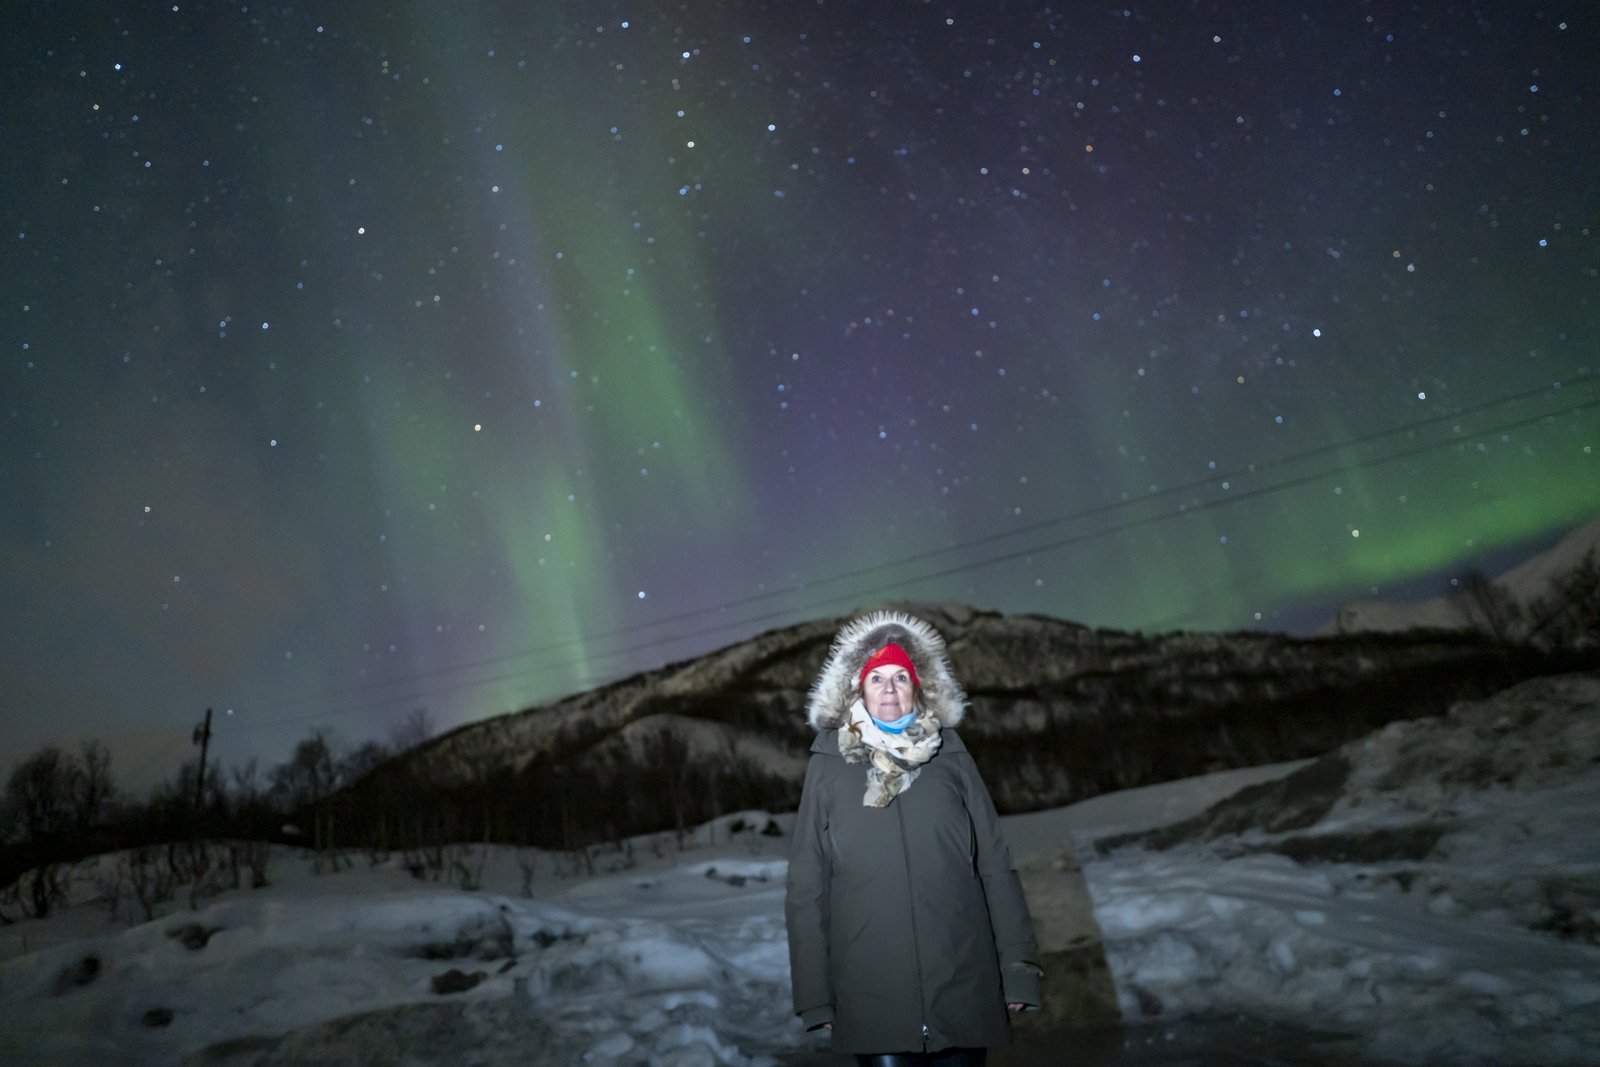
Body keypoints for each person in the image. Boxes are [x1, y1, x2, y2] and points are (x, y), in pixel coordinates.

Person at [785, 610, 1042, 1066]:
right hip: (870, 994)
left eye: (901, 677)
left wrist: (1018, 970)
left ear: (919, 688)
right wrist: (815, 997)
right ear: (857, 689)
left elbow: (995, 867)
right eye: (876, 678)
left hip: (964, 985)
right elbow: (807, 886)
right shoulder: (827, 766)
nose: (889, 688)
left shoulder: (952, 759)